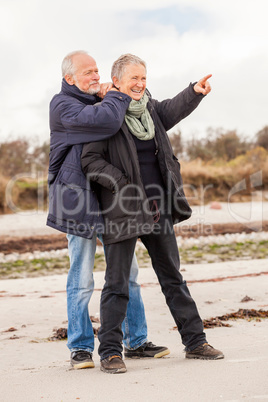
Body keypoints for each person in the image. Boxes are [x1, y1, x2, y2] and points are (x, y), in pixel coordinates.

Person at [81, 53, 224, 374]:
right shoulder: (103, 115)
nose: (140, 84)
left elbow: (172, 108)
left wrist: (195, 92)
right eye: (134, 78)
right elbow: (90, 161)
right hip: (122, 210)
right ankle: (110, 352)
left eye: (143, 78)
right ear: (116, 81)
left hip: (158, 209)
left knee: (173, 277)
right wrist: (120, 182)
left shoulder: (150, 109)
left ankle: (195, 341)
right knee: (117, 283)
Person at [47, 50, 169, 370]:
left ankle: (137, 340)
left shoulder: (95, 100)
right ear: (69, 78)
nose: (94, 76)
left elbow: (132, 111)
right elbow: (107, 120)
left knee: (127, 273)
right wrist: (114, 92)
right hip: (77, 201)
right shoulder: (63, 105)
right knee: (82, 275)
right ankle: (81, 347)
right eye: (88, 72)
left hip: (106, 199)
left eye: (97, 70)